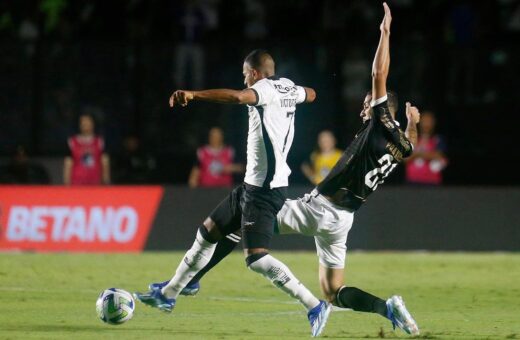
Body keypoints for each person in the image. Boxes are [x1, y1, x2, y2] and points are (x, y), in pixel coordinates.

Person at [148, 3, 420, 336]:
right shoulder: (401, 143)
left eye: (369, 103)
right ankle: (386, 307)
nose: (365, 107)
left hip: (319, 208)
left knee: (245, 227)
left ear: (382, 108)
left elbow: (379, 73)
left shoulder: (379, 121)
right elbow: (409, 147)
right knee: (334, 290)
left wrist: (385, 32)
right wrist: (412, 124)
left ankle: (189, 283)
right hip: (343, 221)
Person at [134, 49, 332, 336]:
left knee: (257, 258)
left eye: (244, 75)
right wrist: (295, 92)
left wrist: (194, 94)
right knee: (208, 232)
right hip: (253, 185)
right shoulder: (287, 85)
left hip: (265, 191)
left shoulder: (261, 88)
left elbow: (239, 98)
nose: (244, 81)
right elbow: (311, 94)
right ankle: (169, 293)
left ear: (254, 73)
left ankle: (314, 305)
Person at [63, 114, 110, 185]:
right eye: (83, 122)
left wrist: (106, 182)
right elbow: (68, 163)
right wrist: (66, 183)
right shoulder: (72, 142)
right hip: (77, 183)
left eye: (88, 122)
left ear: (93, 124)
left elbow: (105, 161)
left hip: (95, 183)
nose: (85, 124)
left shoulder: (100, 142)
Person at [405, 110, 448, 185]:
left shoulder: (438, 140)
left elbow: (439, 156)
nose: (426, 124)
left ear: (434, 123)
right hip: (412, 182)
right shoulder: (412, 138)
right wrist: (427, 154)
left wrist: (417, 154)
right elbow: (405, 158)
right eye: (425, 121)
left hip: (432, 182)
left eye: (429, 121)